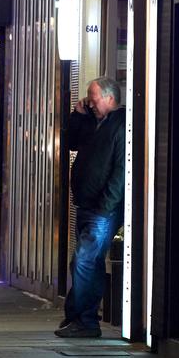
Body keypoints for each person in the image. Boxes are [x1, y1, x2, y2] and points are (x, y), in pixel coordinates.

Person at [56, 77, 126, 338]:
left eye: (93, 97)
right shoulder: (95, 123)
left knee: (84, 260)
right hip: (87, 204)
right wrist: (79, 113)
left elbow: (121, 170)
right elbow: (72, 142)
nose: (91, 102)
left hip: (101, 209)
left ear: (109, 98)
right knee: (88, 262)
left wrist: (106, 205)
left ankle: (85, 321)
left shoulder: (118, 125)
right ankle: (78, 316)